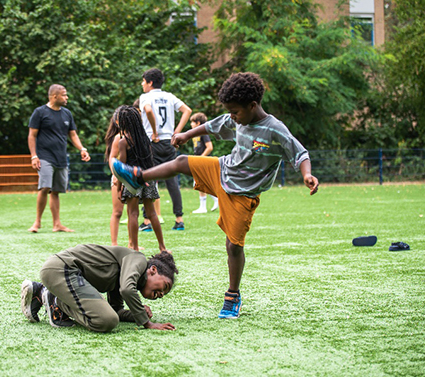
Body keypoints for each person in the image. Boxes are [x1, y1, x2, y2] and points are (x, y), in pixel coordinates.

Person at [112, 72, 319, 319]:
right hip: (222, 169)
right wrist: (186, 135)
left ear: (253, 106)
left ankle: (233, 295)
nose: (232, 117)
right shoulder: (238, 118)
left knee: (233, 245)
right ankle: (139, 176)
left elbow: (300, 153)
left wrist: (307, 175)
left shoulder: (274, 130)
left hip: (243, 193)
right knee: (181, 161)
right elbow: (213, 125)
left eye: (235, 112)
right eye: (230, 112)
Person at [20, 244, 178, 332]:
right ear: (153, 270)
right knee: (106, 321)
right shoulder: (138, 259)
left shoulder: (125, 278)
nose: (162, 294)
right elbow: (127, 290)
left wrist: (136, 314)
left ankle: (48, 295)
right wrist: (147, 323)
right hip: (63, 269)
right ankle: (52, 298)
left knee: (109, 317)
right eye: (164, 286)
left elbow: (116, 310)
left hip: (69, 276)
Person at [27, 84, 90, 233]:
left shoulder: (67, 114)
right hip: (44, 156)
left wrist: (82, 149)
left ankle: (57, 224)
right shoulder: (40, 112)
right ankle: (37, 222)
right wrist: (34, 156)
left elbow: (73, 135)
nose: (67, 98)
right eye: (64, 95)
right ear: (54, 96)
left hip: (61, 157)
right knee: (45, 187)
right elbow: (32, 135)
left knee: (55, 191)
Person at [138, 68, 192, 232]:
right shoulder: (169, 97)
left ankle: (147, 221)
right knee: (172, 181)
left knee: (149, 179)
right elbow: (187, 111)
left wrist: (154, 131)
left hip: (152, 142)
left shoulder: (146, 97)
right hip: (169, 141)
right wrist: (177, 132)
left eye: (143, 81)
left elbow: (148, 110)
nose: (142, 84)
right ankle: (179, 219)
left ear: (150, 82)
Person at [115, 105, 167, 252]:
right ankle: (162, 247)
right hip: (147, 178)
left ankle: (135, 248)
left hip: (132, 181)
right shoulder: (145, 138)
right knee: (152, 213)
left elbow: (122, 167)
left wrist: (119, 187)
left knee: (133, 213)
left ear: (123, 123)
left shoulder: (124, 141)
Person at [190, 112, 219, 213]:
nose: (191, 125)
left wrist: (201, 158)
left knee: (199, 183)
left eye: (192, 122)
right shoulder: (195, 134)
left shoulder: (203, 133)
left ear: (198, 123)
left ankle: (203, 207)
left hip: (203, 161)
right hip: (198, 160)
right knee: (202, 183)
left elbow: (209, 147)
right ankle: (216, 199)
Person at [104, 108, 124, 246]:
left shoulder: (138, 135)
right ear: (117, 121)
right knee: (117, 212)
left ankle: (131, 243)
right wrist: (116, 175)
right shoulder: (118, 138)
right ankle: (114, 244)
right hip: (119, 178)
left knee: (133, 212)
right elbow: (112, 158)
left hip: (132, 179)